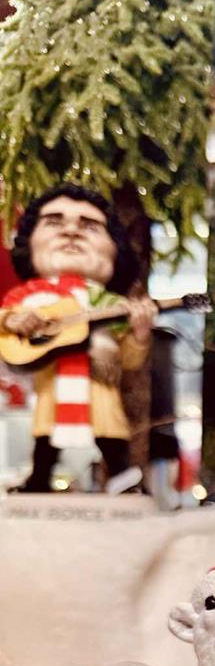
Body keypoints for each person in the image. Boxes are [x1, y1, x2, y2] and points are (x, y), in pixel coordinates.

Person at [0, 183, 156, 491]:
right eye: (54, 222)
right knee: (46, 433)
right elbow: (5, 320)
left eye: (90, 226)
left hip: (99, 385)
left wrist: (139, 334)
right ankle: (39, 481)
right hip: (52, 384)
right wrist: (14, 319)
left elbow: (129, 359)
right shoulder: (29, 296)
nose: (71, 231)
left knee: (108, 431)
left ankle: (122, 478)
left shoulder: (109, 304)